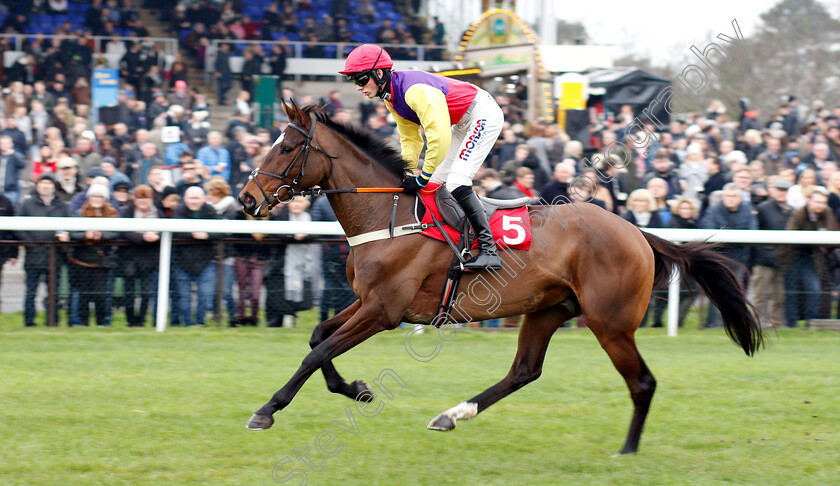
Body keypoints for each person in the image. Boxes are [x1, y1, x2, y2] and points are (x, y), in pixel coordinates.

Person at [340, 44, 505, 270]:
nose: (358, 87)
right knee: (434, 186)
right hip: (460, 122)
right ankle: (459, 242)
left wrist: (422, 175)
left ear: (379, 73)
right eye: (354, 81)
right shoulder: (391, 98)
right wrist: (408, 171)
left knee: (457, 180)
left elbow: (438, 136)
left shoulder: (414, 91)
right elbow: (410, 139)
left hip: (482, 115)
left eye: (360, 80)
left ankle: (490, 250)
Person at [777, 186, 837, 328]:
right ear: (809, 201)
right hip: (793, 257)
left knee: (814, 290)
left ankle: (812, 323)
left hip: (812, 258)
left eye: (823, 203)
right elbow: (791, 235)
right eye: (817, 202)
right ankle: (792, 325)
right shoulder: (799, 213)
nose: (820, 206)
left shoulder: (827, 213)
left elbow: (831, 234)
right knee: (791, 292)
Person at [699, 183, 757, 328]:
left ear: (740, 198)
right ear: (723, 196)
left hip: (739, 260)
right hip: (718, 259)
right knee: (718, 291)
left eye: (734, 196)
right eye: (727, 196)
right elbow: (709, 230)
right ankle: (714, 324)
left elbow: (752, 231)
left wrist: (726, 233)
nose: (730, 199)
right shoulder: (714, 210)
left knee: (735, 293)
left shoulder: (747, 211)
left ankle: (735, 323)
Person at [15, 174, 70, 327]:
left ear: (54, 186)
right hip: (33, 255)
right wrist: (30, 243)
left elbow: (69, 226)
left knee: (53, 291)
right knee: (30, 291)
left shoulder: (62, 205)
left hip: (54, 256)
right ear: (37, 185)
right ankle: (29, 321)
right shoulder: (27, 204)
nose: (45, 186)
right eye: (42, 183)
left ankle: (52, 320)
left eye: (48, 183)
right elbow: (18, 226)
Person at [67, 184, 120, 327]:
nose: (97, 199)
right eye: (94, 196)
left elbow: (116, 232)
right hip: (82, 260)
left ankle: (101, 322)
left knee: (100, 294)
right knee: (83, 294)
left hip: (102, 261)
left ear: (105, 199)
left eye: (100, 196)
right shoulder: (79, 213)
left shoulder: (111, 213)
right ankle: (82, 323)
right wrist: (85, 235)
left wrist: (101, 235)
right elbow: (72, 233)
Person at [172, 186, 222, 327]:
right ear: (185, 198)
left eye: (197, 198)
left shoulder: (210, 211)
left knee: (205, 295)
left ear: (204, 198)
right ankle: (187, 323)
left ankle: (200, 322)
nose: (194, 201)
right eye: (191, 198)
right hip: (182, 261)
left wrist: (207, 235)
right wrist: (192, 234)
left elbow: (222, 230)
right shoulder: (179, 211)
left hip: (205, 261)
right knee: (184, 296)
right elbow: (175, 230)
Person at [752, 178, 793, 328]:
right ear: (773, 191)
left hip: (782, 260)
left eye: (785, 191)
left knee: (779, 295)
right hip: (765, 259)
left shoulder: (791, 210)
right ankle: (754, 323)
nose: (782, 193)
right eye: (779, 190)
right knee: (759, 294)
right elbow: (755, 232)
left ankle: (775, 324)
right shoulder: (763, 208)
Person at [120, 184, 162, 327]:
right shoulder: (126, 211)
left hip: (150, 260)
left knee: (146, 292)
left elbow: (165, 230)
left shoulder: (159, 213)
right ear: (135, 199)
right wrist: (142, 237)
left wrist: (156, 236)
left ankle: (142, 319)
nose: (143, 202)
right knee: (129, 292)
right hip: (129, 258)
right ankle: (130, 320)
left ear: (151, 199)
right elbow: (124, 231)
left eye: (146, 198)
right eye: (139, 198)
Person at [0, 134, 26, 207]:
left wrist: (13, 154)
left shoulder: (17, 156)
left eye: (6, 143)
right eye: (2, 143)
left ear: (11, 144)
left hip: (11, 191)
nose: (4, 145)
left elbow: (22, 164)